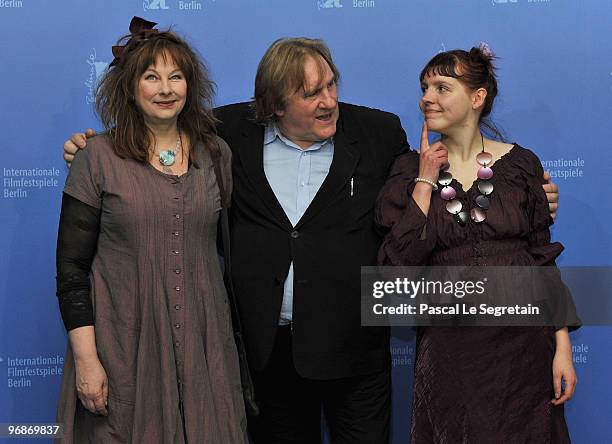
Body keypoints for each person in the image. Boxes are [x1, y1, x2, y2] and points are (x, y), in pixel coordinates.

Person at [63, 37, 560, 443]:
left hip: (356, 348)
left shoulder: (381, 132)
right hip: (266, 351)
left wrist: (522, 197)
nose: (329, 101)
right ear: (275, 104)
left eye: (331, 85)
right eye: (311, 94)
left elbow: (430, 197)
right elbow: (157, 140)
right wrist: (92, 148)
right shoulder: (225, 133)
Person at [55, 17, 246, 443]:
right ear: (129, 86)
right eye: (152, 77)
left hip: (204, 349)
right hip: (123, 345)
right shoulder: (96, 158)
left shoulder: (216, 154)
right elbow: (71, 271)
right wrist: (87, 361)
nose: (166, 89)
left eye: (176, 77)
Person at [375, 45, 579, 443]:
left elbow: (540, 258)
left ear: (476, 97)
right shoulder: (408, 170)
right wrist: (426, 177)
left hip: (524, 350)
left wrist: (562, 345)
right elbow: (397, 267)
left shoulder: (522, 165)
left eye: (441, 87)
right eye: (424, 87)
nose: (426, 97)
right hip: (451, 351)